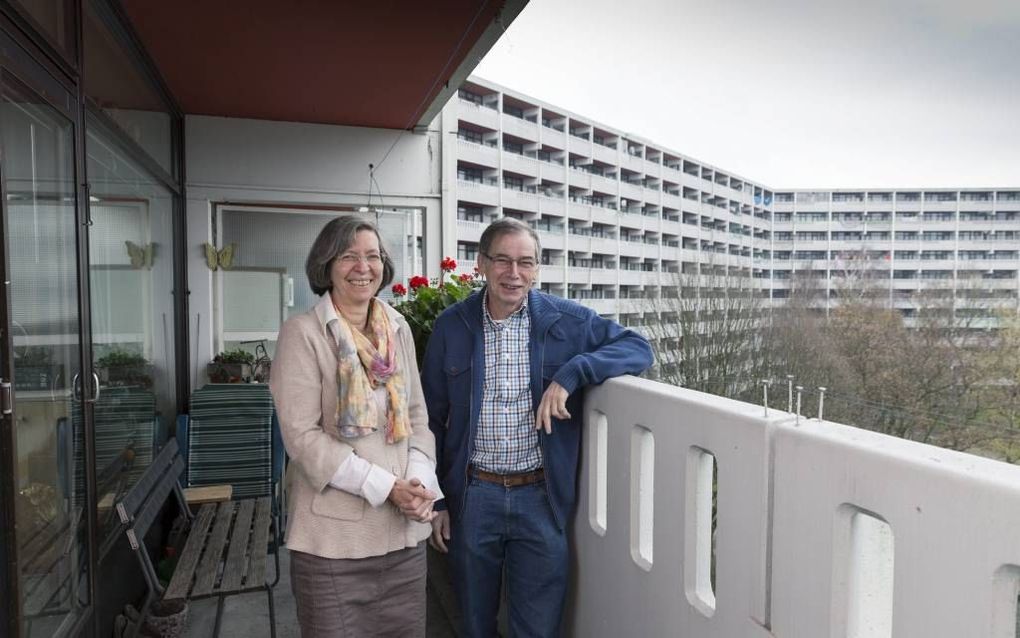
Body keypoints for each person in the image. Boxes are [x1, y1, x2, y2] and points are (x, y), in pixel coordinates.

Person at [421, 217, 653, 637]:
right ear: (481, 264)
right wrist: (437, 502)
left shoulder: (566, 321)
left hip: (540, 499)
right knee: (474, 625)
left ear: (537, 268)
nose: (514, 274)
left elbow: (638, 347)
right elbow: (430, 419)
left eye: (525, 263)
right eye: (503, 261)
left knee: (538, 630)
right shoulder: (452, 326)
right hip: (474, 498)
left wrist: (573, 373)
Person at [270, 216, 441, 638]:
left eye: (372, 256)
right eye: (349, 256)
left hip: (403, 540)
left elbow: (417, 416)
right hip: (333, 546)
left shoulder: (396, 328)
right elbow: (303, 439)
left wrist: (418, 486)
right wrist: (388, 487)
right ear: (326, 265)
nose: (363, 267)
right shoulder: (303, 334)